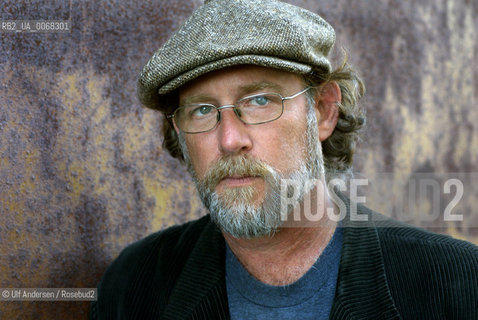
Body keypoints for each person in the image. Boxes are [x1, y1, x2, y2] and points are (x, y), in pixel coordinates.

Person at [91, 0, 478, 319]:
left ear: (324, 111)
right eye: (202, 111)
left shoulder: (457, 284)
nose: (229, 139)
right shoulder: (134, 284)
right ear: (179, 131)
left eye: (259, 101)